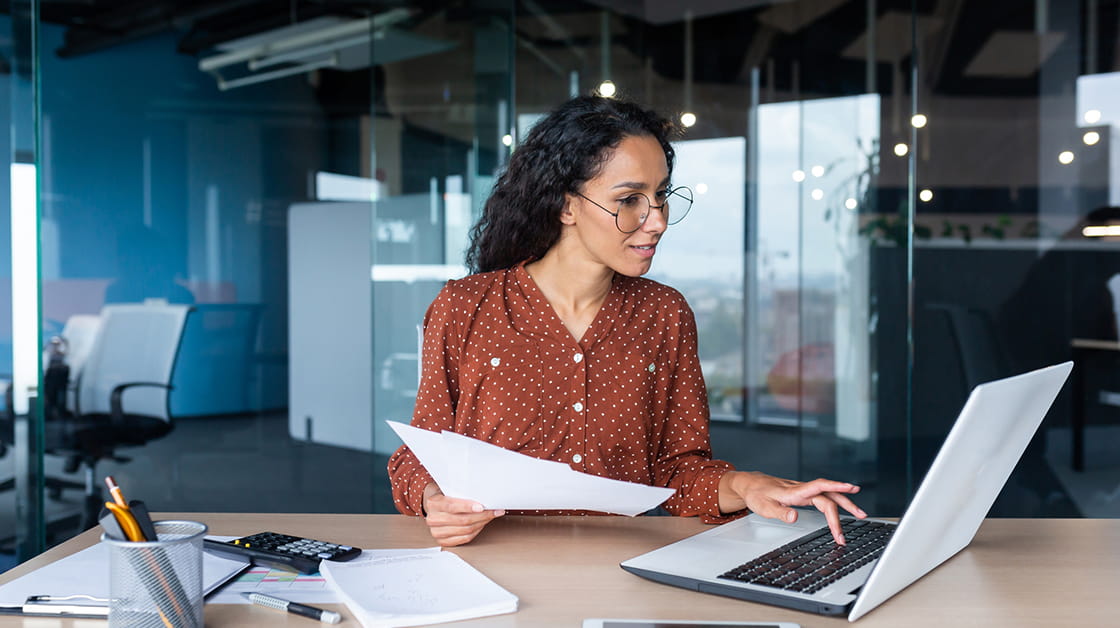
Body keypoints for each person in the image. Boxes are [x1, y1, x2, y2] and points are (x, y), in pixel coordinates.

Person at [387, 94, 865, 547]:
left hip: (620, 567)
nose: (656, 219)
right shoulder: (465, 307)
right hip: (486, 561)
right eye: (630, 198)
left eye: (660, 196)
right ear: (566, 204)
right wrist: (434, 500)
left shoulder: (664, 314)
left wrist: (748, 485)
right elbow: (421, 455)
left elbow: (678, 474)